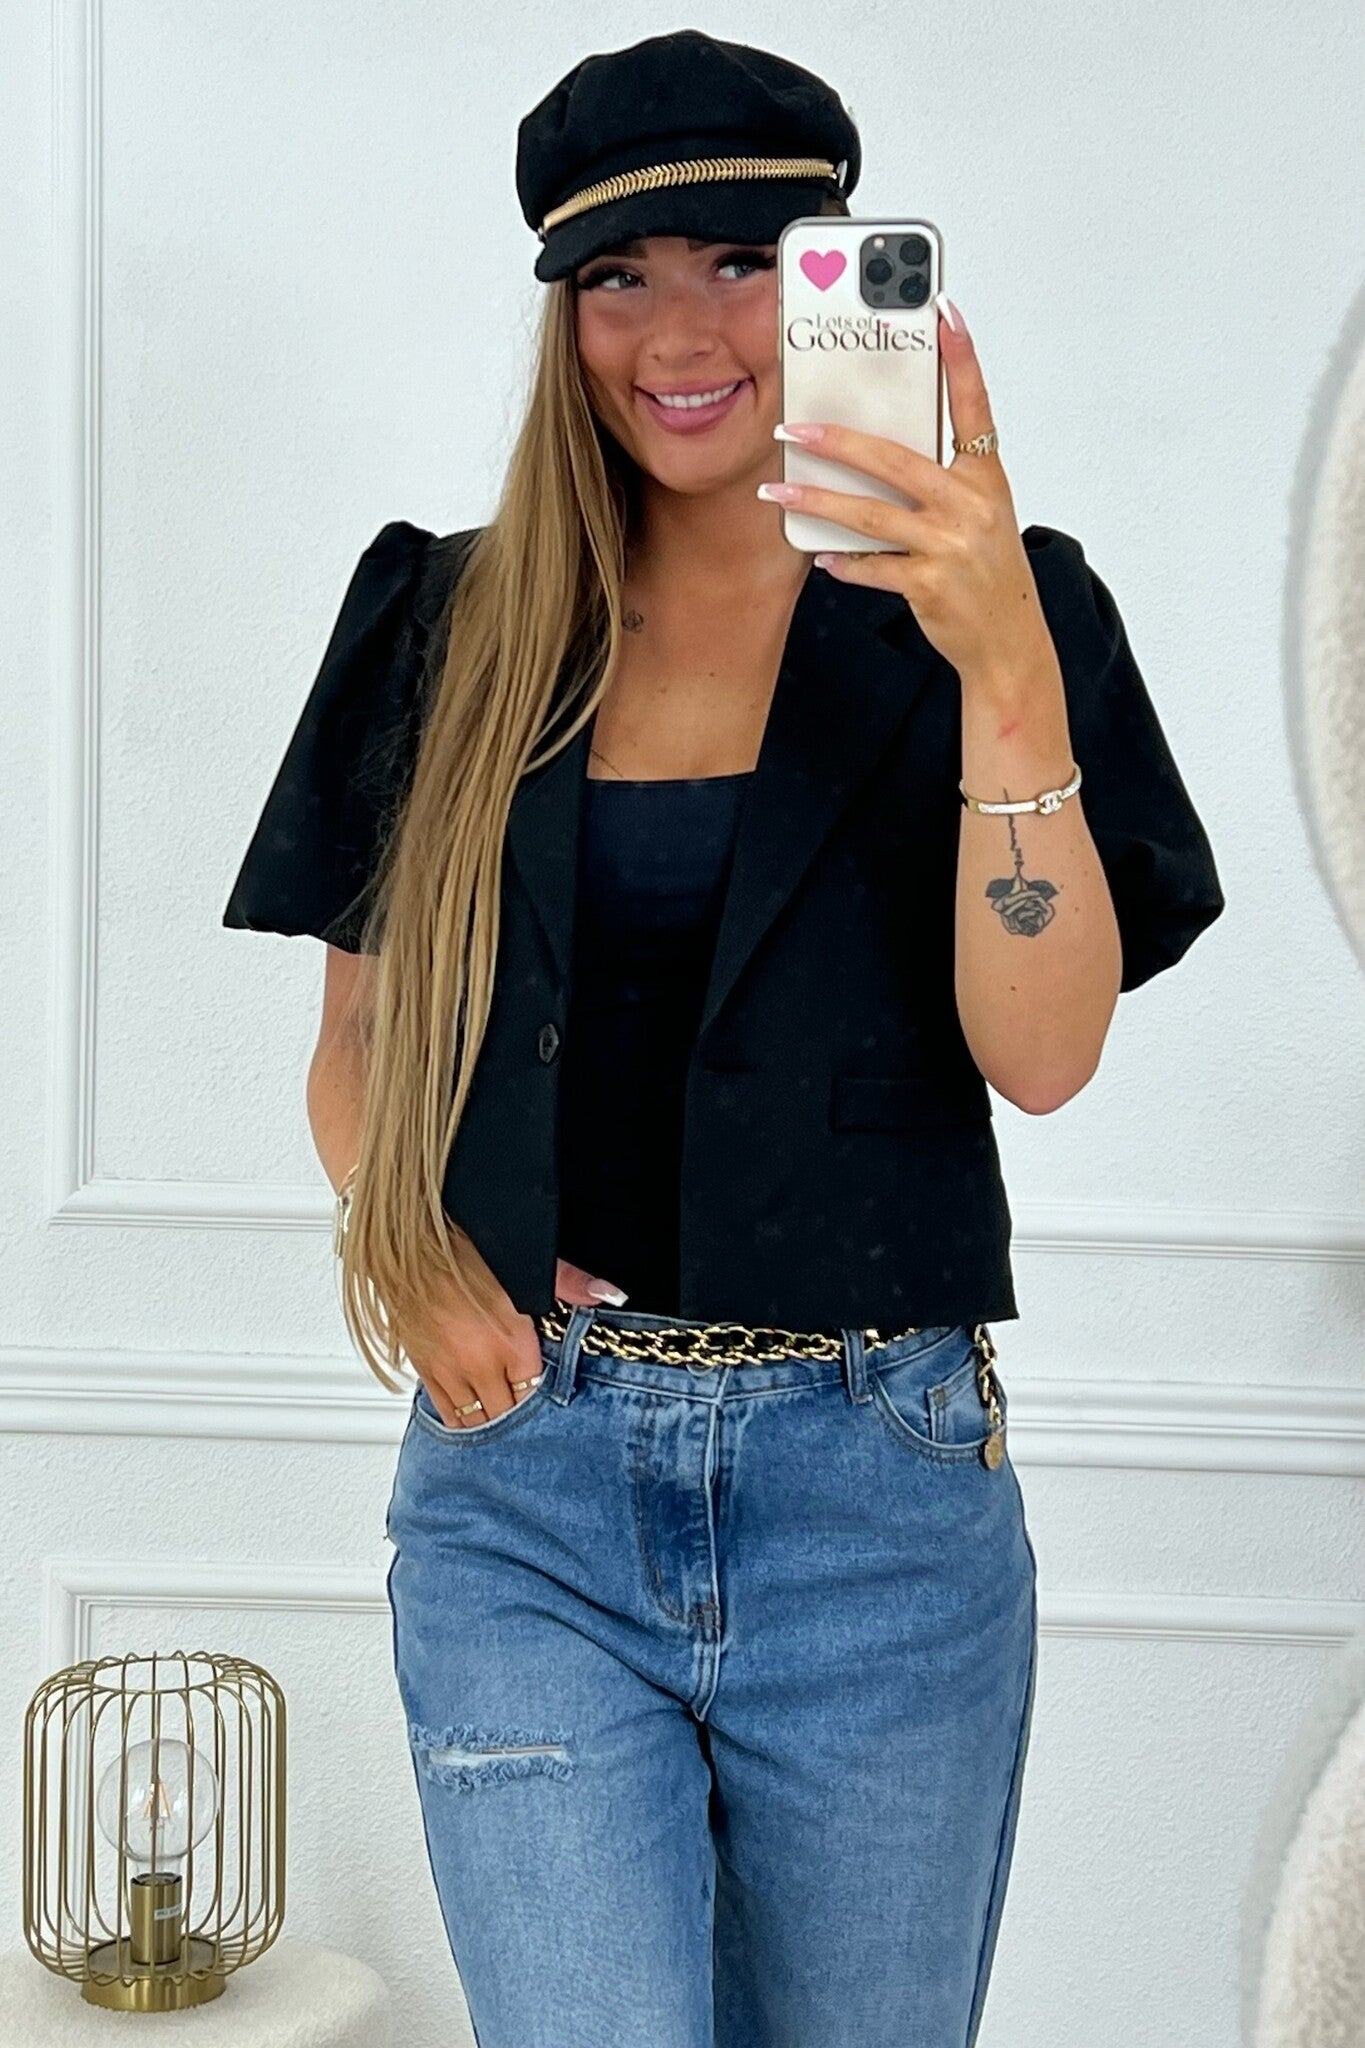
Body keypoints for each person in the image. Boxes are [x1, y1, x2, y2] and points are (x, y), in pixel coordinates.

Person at [222, 28, 1225, 2048]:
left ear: (842, 283)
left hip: (878, 1498)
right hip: (526, 1494)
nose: (677, 335)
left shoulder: (1004, 615)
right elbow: (359, 1039)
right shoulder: (445, 618)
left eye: (743, 262)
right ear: (562, 313)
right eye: (617, 276)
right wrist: (411, 1253)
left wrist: (1002, 673)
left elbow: (1041, 1057)